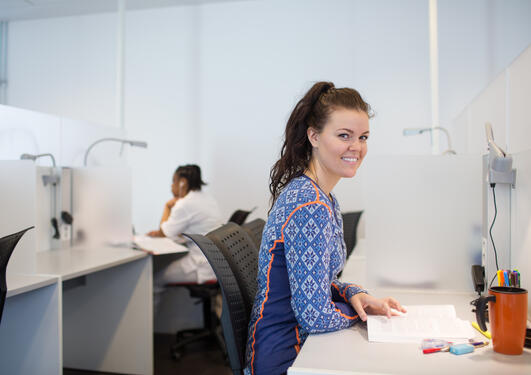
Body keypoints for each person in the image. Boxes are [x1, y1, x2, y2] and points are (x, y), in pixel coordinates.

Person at [244, 82, 406, 375]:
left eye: (363, 137)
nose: (356, 147)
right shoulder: (310, 205)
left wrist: (353, 294)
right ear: (314, 136)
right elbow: (315, 316)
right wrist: (360, 314)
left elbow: (314, 279)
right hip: (285, 355)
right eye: (344, 135)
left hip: (292, 345)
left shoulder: (321, 196)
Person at [147, 164, 222, 285]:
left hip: (200, 265)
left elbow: (163, 234)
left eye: (174, 181)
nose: (171, 186)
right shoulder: (208, 198)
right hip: (217, 265)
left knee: (154, 281)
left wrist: (167, 207)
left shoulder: (185, 204)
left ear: (183, 182)